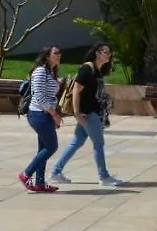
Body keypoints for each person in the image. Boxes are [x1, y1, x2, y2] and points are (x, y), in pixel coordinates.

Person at [50, 44, 123, 186]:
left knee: (76, 142)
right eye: (105, 52)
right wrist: (77, 113)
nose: (108, 54)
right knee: (98, 144)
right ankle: (104, 176)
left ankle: (55, 172)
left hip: (91, 112)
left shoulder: (98, 70)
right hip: (88, 113)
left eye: (109, 52)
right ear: (97, 53)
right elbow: (76, 90)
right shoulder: (87, 69)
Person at [18, 46, 62, 192]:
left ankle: (40, 183)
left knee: (43, 148)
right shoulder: (40, 71)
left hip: (45, 114)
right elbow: (39, 96)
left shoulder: (50, 71)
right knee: (51, 146)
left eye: (59, 53)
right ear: (47, 56)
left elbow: (50, 94)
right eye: (55, 53)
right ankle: (26, 174)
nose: (59, 55)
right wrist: (54, 114)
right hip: (38, 114)